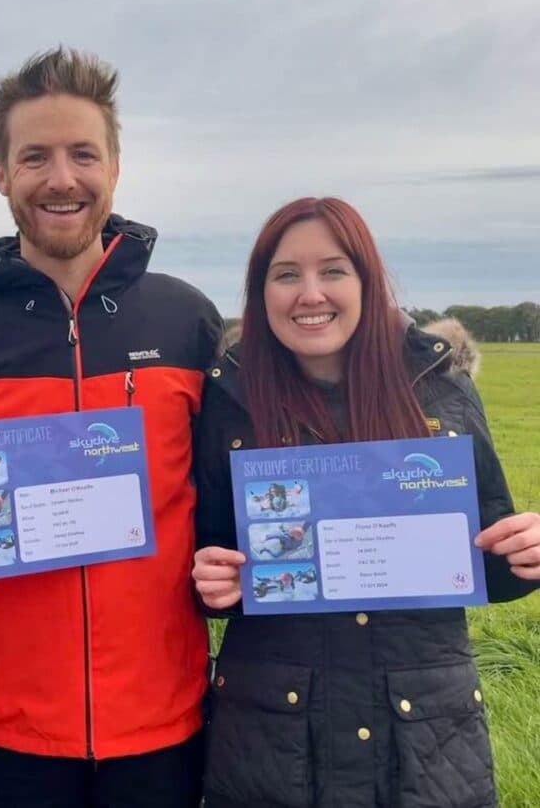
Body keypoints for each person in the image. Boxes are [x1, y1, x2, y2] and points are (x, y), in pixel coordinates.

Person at [0, 47, 224, 808]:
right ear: (2, 173)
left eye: (82, 154)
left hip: (166, 718)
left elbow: (223, 501)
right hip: (16, 726)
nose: (61, 178)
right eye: (34, 156)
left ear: (115, 166)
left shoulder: (186, 321)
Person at [192, 197, 540, 808]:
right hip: (273, 738)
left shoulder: (441, 390)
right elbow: (204, 558)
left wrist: (526, 552)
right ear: (260, 290)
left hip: (424, 738)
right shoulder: (230, 399)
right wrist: (210, 579)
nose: (310, 293)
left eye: (332, 270)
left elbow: (489, 559)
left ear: (366, 281)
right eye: (286, 274)